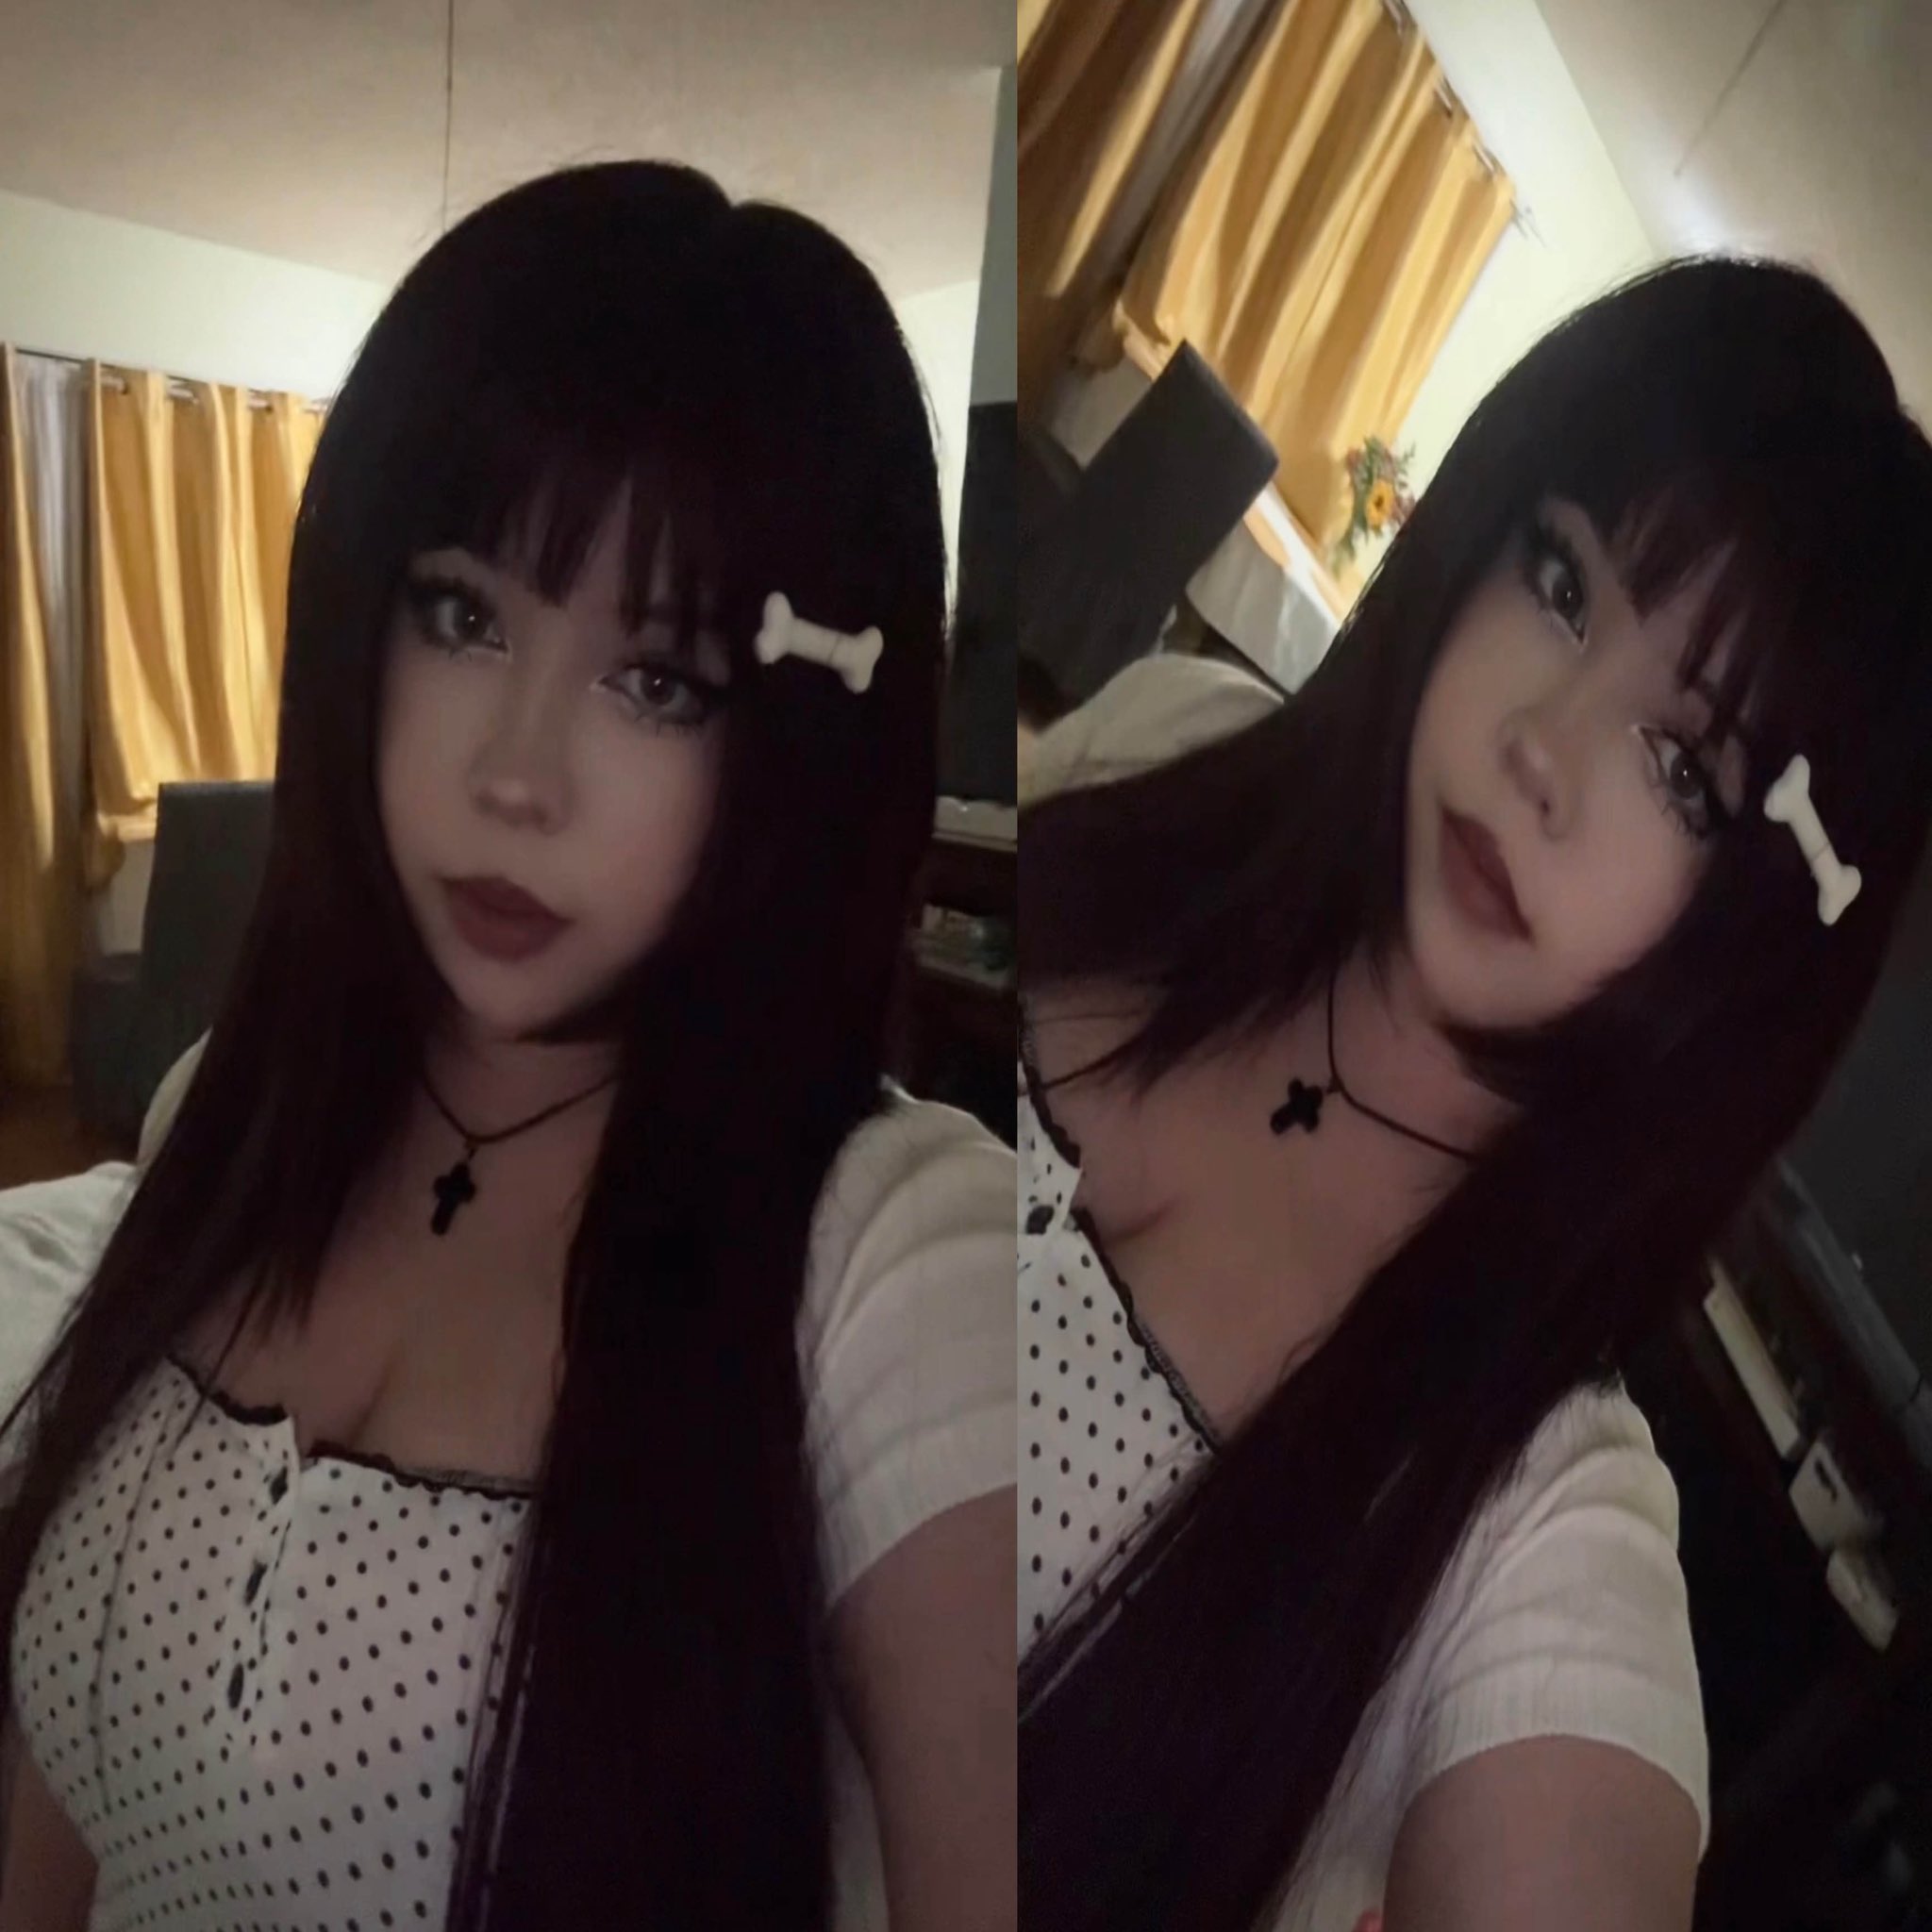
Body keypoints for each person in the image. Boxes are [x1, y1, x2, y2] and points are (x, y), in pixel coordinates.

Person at [0, 162, 1016, 1932]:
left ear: (789, 746)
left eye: (658, 680)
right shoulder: (225, 1110)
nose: (515, 776)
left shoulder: (895, 1263)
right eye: (465, 615)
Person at [1015, 258, 1932, 1931]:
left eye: (1682, 766)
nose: (1542, 750)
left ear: (1757, 930)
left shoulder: (1538, 1520)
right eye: (1564, 584)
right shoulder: (1170, 738)